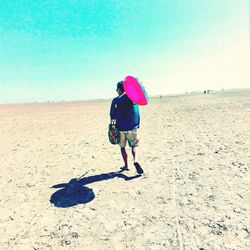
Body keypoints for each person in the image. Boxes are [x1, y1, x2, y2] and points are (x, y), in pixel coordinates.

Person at [110, 81, 144, 174]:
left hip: (120, 128)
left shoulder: (115, 100)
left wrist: (113, 128)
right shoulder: (131, 98)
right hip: (132, 126)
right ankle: (136, 160)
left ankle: (126, 166)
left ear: (120, 90)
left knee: (122, 147)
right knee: (134, 145)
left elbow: (112, 115)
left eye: (117, 89)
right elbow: (136, 108)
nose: (116, 91)